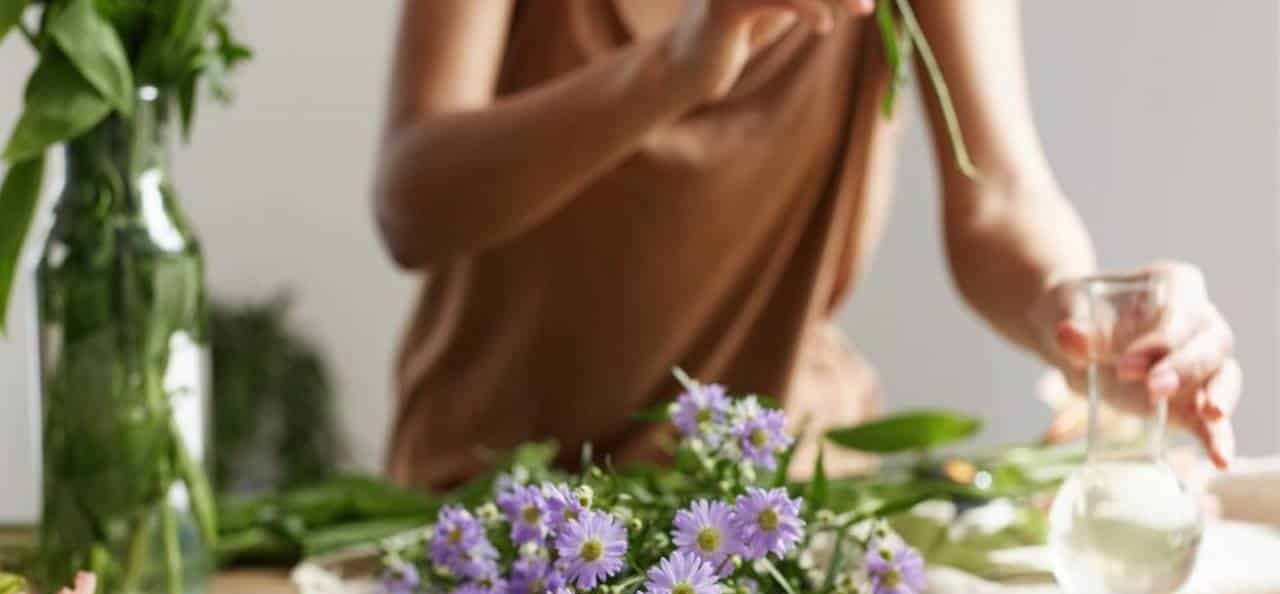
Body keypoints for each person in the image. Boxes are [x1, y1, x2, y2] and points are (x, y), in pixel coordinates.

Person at [374, 0, 1240, 490]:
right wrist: (675, 67)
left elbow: (1001, 195)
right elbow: (412, 203)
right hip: (491, 506)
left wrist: (1086, 314)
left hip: (783, 505)